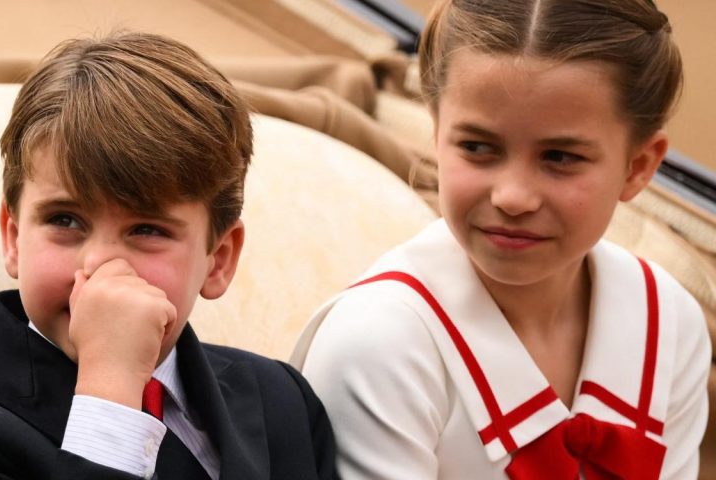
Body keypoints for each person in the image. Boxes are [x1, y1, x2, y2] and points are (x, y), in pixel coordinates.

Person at [291, 1, 711, 478]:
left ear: (638, 166)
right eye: (477, 147)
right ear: (435, 134)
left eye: (560, 156)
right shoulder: (377, 344)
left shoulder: (670, 324)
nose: (512, 197)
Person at [0, 32, 338, 480]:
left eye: (148, 230)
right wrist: (111, 386)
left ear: (219, 259)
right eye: (64, 220)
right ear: (14, 238)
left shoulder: (280, 400)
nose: (98, 266)